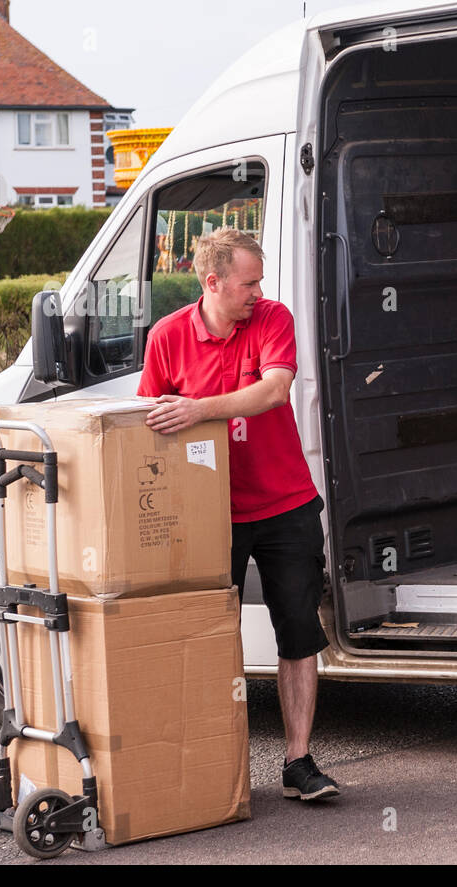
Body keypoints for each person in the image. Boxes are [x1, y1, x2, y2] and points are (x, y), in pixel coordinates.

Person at [138, 227, 340, 801]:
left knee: (299, 633)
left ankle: (298, 763)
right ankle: (214, 763)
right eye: (247, 282)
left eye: (258, 281)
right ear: (213, 282)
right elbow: (148, 423)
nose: (257, 291)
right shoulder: (167, 337)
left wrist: (199, 408)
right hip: (209, 516)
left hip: (286, 505)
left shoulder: (272, 319)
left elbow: (275, 391)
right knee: (206, 637)